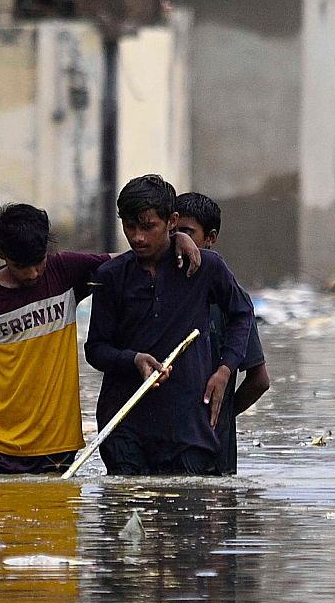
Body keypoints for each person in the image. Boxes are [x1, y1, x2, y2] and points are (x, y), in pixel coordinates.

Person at [0, 202, 200, 476]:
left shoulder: (64, 271)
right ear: (0, 253)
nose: (33, 274)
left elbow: (127, 262)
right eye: (20, 266)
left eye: (39, 262)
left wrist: (176, 238)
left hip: (55, 448)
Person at [85, 175, 256, 475]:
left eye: (148, 226)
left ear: (171, 221)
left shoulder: (205, 268)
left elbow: (242, 314)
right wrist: (132, 359)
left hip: (188, 429)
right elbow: (96, 349)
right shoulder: (111, 276)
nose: (137, 237)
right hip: (125, 425)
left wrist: (225, 370)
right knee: (127, 508)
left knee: (184, 513)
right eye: (129, 226)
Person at [174, 191, 271, 475]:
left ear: (210, 238)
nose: (180, 241)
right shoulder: (157, 287)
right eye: (174, 231)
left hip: (214, 452)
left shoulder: (232, 300)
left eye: (188, 232)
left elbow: (259, 380)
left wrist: (220, 412)